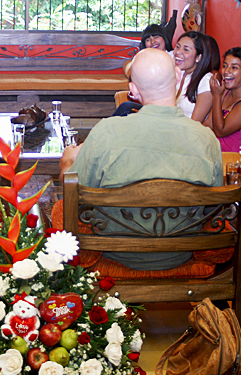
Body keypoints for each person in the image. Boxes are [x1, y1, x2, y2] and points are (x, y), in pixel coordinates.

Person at [59, 48, 222, 271]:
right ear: (177, 77)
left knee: (61, 206)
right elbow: (215, 211)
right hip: (181, 252)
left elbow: (75, 198)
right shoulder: (207, 139)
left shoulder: (106, 132)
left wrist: (67, 162)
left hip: (117, 252)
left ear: (133, 90)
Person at [113, 24, 174, 117]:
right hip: (148, 102)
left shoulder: (173, 57)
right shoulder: (145, 59)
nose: (153, 42)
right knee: (125, 107)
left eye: (156, 37)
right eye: (148, 40)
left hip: (164, 104)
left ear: (164, 38)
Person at [204, 47, 241, 152]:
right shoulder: (224, 92)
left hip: (231, 161)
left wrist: (216, 97)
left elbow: (220, 131)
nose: (227, 71)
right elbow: (208, 125)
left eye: (234, 67)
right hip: (213, 152)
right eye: (225, 66)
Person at [174, 31, 212, 122]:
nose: (178, 52)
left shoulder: (206, 80)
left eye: (186, 49)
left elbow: (195, 123)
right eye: (178, 47)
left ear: (198, 57)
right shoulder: (180, 73)